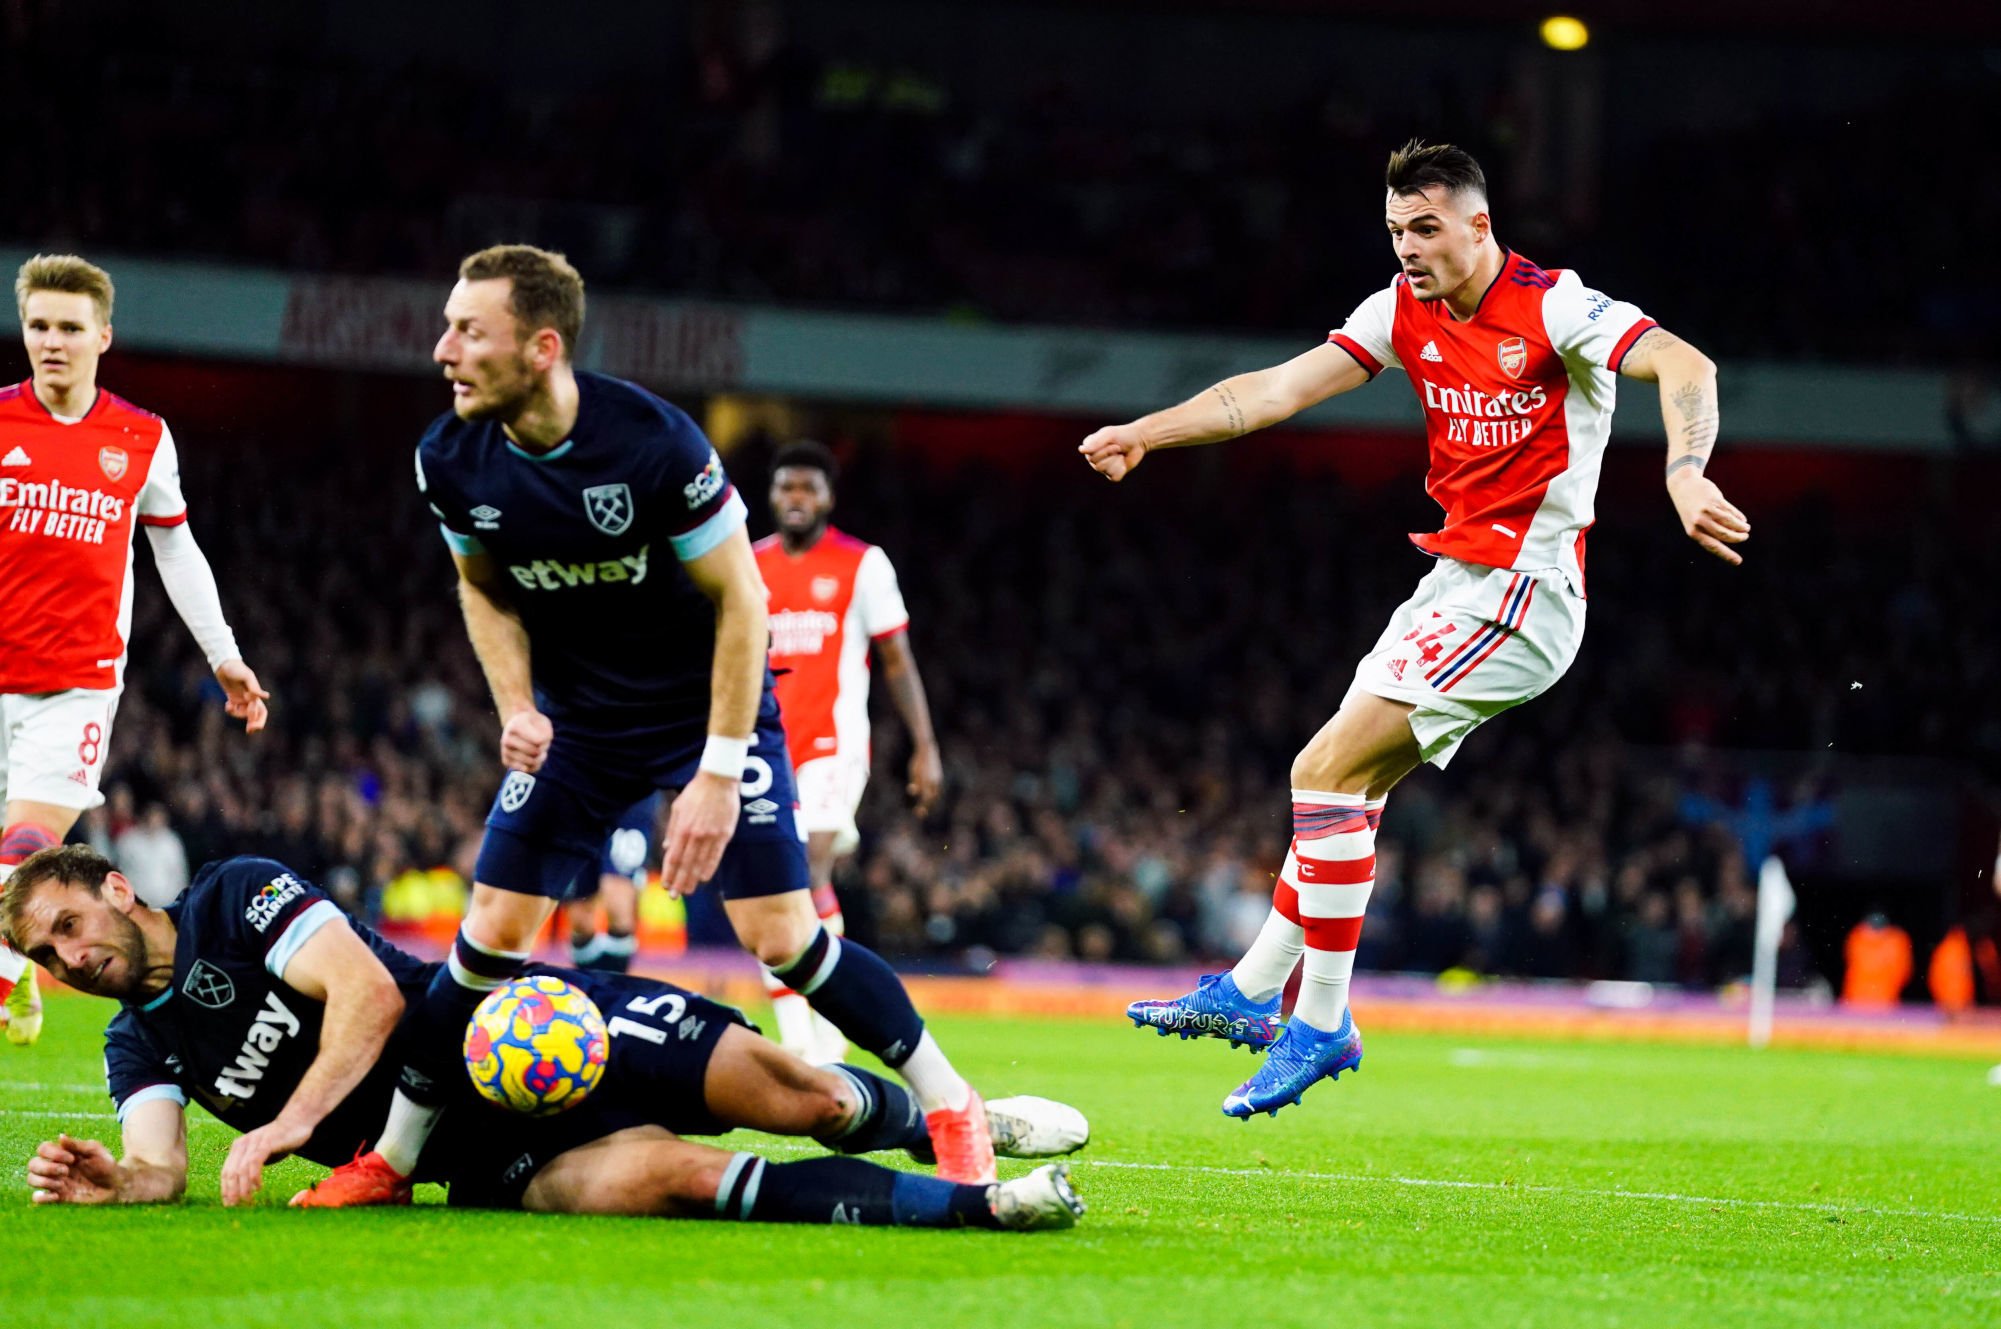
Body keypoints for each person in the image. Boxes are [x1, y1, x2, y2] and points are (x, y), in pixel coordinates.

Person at [311, 244, 999, 1208]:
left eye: (469, 330)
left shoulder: (654, 442)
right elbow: (484, 590)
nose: (443, 350)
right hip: (579, 727)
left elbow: (743, 601)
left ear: (541, 347)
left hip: (702, 712)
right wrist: (516, 706)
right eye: (446, 327)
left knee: (782, 936)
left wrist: (716, 770)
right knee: (486, 935)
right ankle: (391, 1160)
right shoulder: (449, 458)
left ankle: (951, 1105)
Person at [1081, 140, 1748, 1117]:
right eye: (1397, 230)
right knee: (1346, 792)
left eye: (1427, 228)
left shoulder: (1555, 306)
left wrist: (1685, 471)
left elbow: (1686, 363)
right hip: (1451, 585)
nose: (1408, 247)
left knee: (1320, 771)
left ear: (1480, 225)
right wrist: (1148, 432)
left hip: (1524, 592)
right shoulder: (1399, 310)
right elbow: (1275, 389)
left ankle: (1320, 1021)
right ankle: (1254, 989)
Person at [3, 844, 1087, 1228]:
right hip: (488, 1156)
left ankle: (950, 1122)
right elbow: (160, 1161)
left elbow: (370, 997)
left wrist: (290, 1124)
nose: (67, 957)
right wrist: (126, 1182)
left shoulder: (233, 896)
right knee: (678, 1178)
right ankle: (977, 1207)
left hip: (522, 1027)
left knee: (811, 1096)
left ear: (117, 888)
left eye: (69, 925)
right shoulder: (136, 1046)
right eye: (45, 954)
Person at [0, 254, 268, 1048]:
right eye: (39, 325)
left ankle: (3, 978)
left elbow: (175, 547)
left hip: (75, 684)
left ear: (104, 336)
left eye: (69, 327)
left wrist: (223, 652)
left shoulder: (141, 436)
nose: (52, 341)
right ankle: (20, 968)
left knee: (24, 847)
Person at [752, 440, 944, 1063]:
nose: (796, 498)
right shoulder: (749, 565)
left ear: (828, 497)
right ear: (772, 494)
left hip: (833, 748)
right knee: (776, 886)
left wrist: (924, 746)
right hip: (766, 749)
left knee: (799, 869)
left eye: (808, 488)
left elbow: (896, 659)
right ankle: (812, 1038)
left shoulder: (863, 565)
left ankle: (818, 1041)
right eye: (786, 487)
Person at [566, 794, 658, 974]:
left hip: (629, 801)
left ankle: (616, 981)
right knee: (580, 920)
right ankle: (589, 982)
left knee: (617, 899)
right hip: (581, 801)